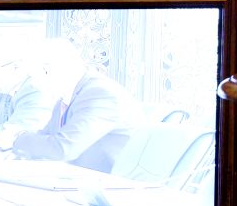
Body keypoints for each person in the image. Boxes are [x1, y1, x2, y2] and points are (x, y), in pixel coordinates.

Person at [11, 40, 144, 172]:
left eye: (32, 76)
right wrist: (21, 153)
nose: (33, 84)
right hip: (82, 177)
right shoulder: (66, 98)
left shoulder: (99, 93)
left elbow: (63, 149)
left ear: (47, 69)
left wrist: (15, 138)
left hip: (113, 181)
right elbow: (45, 138)